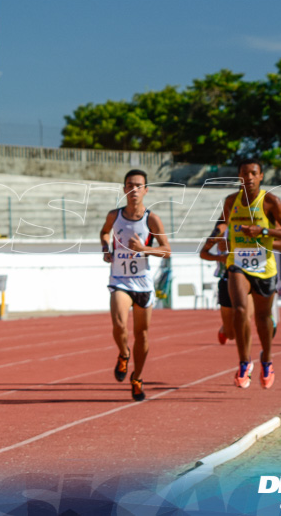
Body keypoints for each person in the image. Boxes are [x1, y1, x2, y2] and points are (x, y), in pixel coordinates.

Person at [217, 157, 281, 389]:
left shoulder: (271, 201)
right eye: (244, 173)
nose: (248, 177)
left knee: (263, 318)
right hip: (237, 262)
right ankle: (244, 362)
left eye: (253, 173)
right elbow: (222, 223)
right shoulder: (231, 201)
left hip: (264, 267)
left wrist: (262, 231)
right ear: (239, 176)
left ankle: (267, 360)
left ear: (260, 176)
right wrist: (218, 235)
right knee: (240, 310)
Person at [100, 169, 171, 402]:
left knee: (142, 334)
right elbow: (104, 233)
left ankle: (138, 377)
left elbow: (167, 251)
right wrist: (105, 249)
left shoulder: (152, 219)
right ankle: (123, 353)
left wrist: (144, 250)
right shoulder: (114, 215)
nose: (134, 190)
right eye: (130, 185)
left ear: (146, 190)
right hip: (119, 279)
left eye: (138, 186)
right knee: (119, 323)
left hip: (143, 283)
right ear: (124, 189)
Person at [200, 220, 281, 345]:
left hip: (255, 274)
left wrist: (260, 240)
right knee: (231, 334)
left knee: (245, 317)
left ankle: (247, 361)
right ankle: (226, 329)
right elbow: (203, 253)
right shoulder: (222, 228)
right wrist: (220, 257)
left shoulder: (266, 220)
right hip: (227, 277)